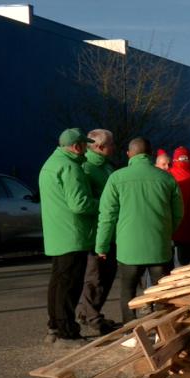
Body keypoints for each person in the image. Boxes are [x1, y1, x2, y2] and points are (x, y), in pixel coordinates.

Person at [96, 138, 184, 323]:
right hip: (159, 245)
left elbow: (107, 216)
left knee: (128, 289)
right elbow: (178, 213)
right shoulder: (166, 178)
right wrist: (166, 232)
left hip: (128, 248)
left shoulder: (116, 178)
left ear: (129, 154)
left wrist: (102, 246)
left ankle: (130, 331)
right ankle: (163, 329)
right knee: (162, 291)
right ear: (151, 154)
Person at [39, 128, 98, 343]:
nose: (86, 149)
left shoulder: (50, 164)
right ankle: (67, 333)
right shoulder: (70, 167)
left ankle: (54, 327)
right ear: (76, 146)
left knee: (57, 284)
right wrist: (104, 205)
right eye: (84, 144)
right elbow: (79, 204)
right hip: (72, 234)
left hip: (56, 234)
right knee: (69, 286)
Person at [76, 128, 119, 336]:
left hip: (110, 230)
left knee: (107, 274)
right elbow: (86, 201)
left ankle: (89, 313)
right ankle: (92, 317)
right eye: (111, 144)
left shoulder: (107, 167)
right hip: (96, 232)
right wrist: (106, 205)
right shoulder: (86, 168)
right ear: (100, 147)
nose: (114, 147)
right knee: (96, 277)